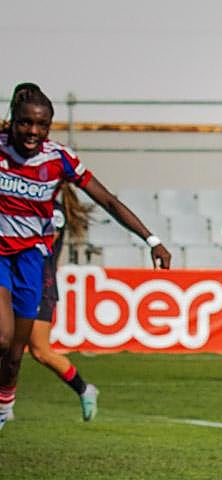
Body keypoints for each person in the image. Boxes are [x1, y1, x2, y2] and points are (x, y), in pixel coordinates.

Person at [0, 82, 170, 430]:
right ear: (13, 121)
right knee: (3, 337)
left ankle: (5, 401)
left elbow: (107, 200)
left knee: (17, 352)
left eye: (41, 125)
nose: (32, 131)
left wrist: (151, 239)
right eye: (25, 123)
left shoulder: (59, 159)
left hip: (32, 260)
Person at [27, 185, 100, 421]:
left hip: (40, 286)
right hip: (13, 283)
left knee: (40, 351)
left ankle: (83, 388)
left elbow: (41, 245)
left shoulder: (53, 211)